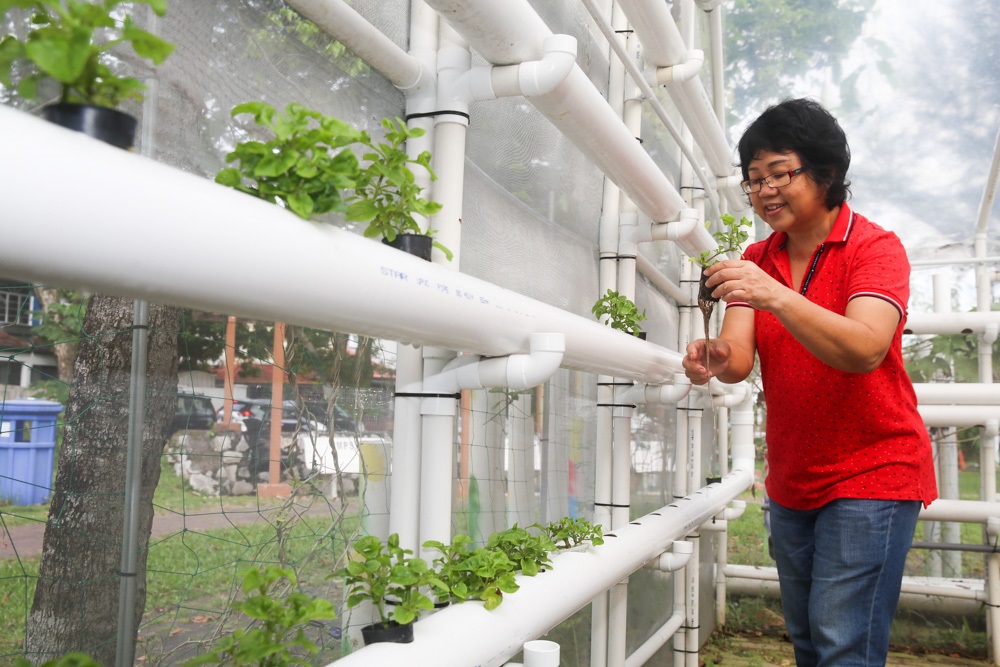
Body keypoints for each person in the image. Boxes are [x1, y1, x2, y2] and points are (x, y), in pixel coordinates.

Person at [682, 98, 937, 667]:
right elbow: (739, 358)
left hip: (874, 469)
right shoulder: (758, 258)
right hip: (793, 476)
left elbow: (865, 349)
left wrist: (773, 294)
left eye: (780, 173)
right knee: (807, 641)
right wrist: (714, 355)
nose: (765, 190)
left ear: (827, 171)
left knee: (842, 645)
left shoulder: (874, 247)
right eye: (754, 179)